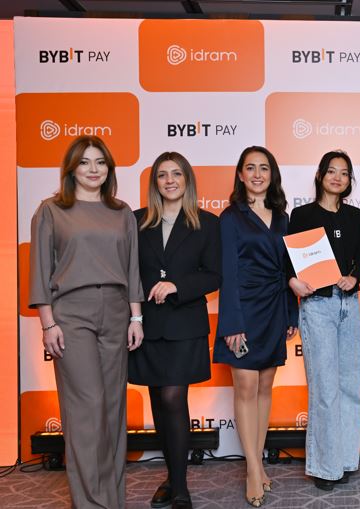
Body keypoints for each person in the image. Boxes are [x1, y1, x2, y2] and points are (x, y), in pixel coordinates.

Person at [28, 135, 144, 509]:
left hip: (116, 311)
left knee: (112, 408)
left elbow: (132, 268)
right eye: (84, 162)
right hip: (71, 313)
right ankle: (91, 503)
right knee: (86, 408)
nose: (93, 169)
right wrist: (48, 324)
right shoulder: (51, 211)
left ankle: (112, 499)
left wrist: (136, 317)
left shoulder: (122, 212)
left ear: (109, 168)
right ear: (71, 169)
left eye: (100, 162)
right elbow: (40, 270)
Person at [130, 152, 222, 509]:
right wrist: (134, 317)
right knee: (158, 402)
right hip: (148, 325)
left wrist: (177, 286)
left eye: (177, 174)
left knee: (173, 398)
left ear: (187, 180)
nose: (170, 180)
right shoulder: (137, 221)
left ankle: (181, 488)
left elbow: (214, 276)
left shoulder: (207, 223)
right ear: (155, 182)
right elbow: (129, 272)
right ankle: (171, 477)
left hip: (185, 325)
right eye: (162, 175)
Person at [213, 146, 298, 508]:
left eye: (264, 168)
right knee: (246, 386)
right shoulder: (230, 217)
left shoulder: (283, 216)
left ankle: (258, 461)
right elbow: (227, 274)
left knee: (265, 387)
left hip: (275, 308)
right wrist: (232, 323)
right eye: (251, 168)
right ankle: (252, 469)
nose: (258, 174)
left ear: (272, 174)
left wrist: (291, 314)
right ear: (241, 175)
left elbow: (289, 269)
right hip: (243, 310)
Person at [287, 150, 360, 491]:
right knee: (325, 388)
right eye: (331, 171)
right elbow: (291, 258)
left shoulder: (356, 215)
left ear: (349, 180)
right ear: (320, 175)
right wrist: (294, 280)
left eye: (344, 173)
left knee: (350, 385)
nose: (337, 177)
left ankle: (344, 460)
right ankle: (324, 466)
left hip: (348, 302)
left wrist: (355, 277)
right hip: (317, 304)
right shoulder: (302, 214)